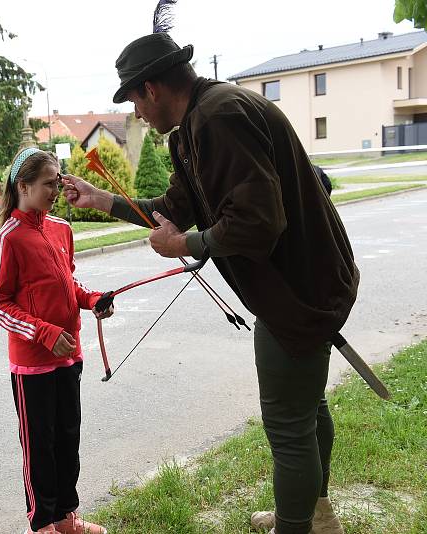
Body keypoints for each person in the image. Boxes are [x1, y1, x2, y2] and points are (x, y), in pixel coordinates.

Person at [62, 33, 358, 534]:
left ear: (152, 88)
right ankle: (314, 513)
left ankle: (297, 525)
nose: (136, 112)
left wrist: (189, 245)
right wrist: (101, 199)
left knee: (288, 425)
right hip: (307, 283)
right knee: (307, 409)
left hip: (299, 294)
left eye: (134, 98)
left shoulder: (217, 118)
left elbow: (259, 221)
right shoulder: (198, 122)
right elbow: (179, 205)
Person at [0, 148, 113, 534]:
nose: (56, 189)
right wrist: (42, 331)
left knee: (67, 442)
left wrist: (91, 300)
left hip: (69, 357)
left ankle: (66, 518)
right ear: (23, 185)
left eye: (58, 181)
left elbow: (67, 283)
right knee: (38, 449)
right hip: (32, 366)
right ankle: (42, 524)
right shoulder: (9, 236)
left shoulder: (61, 229)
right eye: (48, 183)